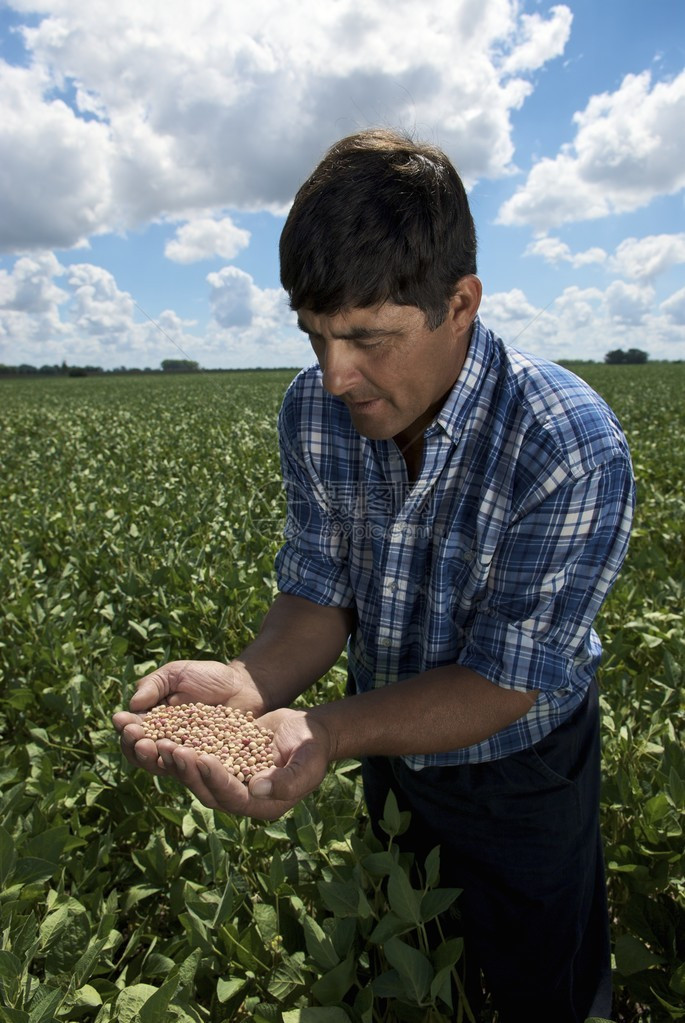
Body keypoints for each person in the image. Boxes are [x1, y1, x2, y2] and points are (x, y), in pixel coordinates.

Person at [114, 128, 635, 1022]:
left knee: (542, 977)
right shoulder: (313, 411)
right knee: (410, 953)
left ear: (459, 303)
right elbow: (321, 591)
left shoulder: (567, 444)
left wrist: (324, 730)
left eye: (367, 337)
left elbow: (505, 681)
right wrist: (246, 681)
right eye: (315, 335)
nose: (335, 373)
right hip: (379, 739)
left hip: (520, 767)